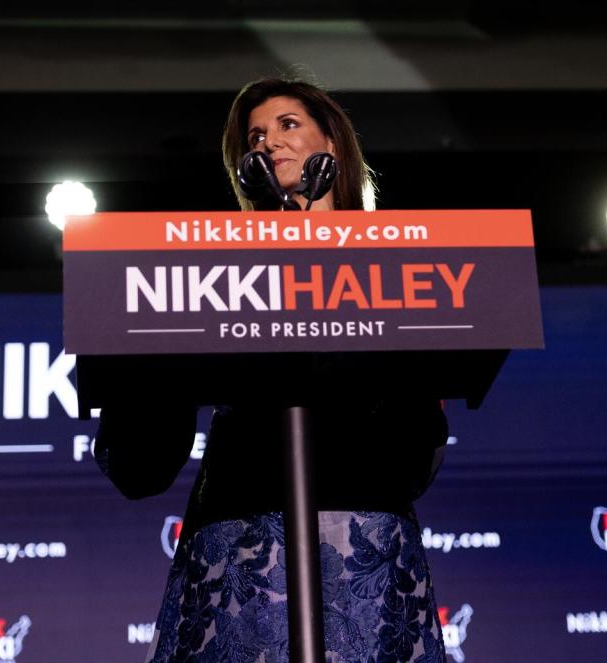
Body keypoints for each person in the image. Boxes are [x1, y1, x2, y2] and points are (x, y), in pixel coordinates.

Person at [96, 77, 450, 663]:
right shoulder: (213, 271)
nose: (268, 144)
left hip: (364, 529)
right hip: (243, 531)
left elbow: (417, 452)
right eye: (255, 137)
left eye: (288, 125)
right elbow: (142, 461)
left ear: (331, 142)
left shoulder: (398, 266)